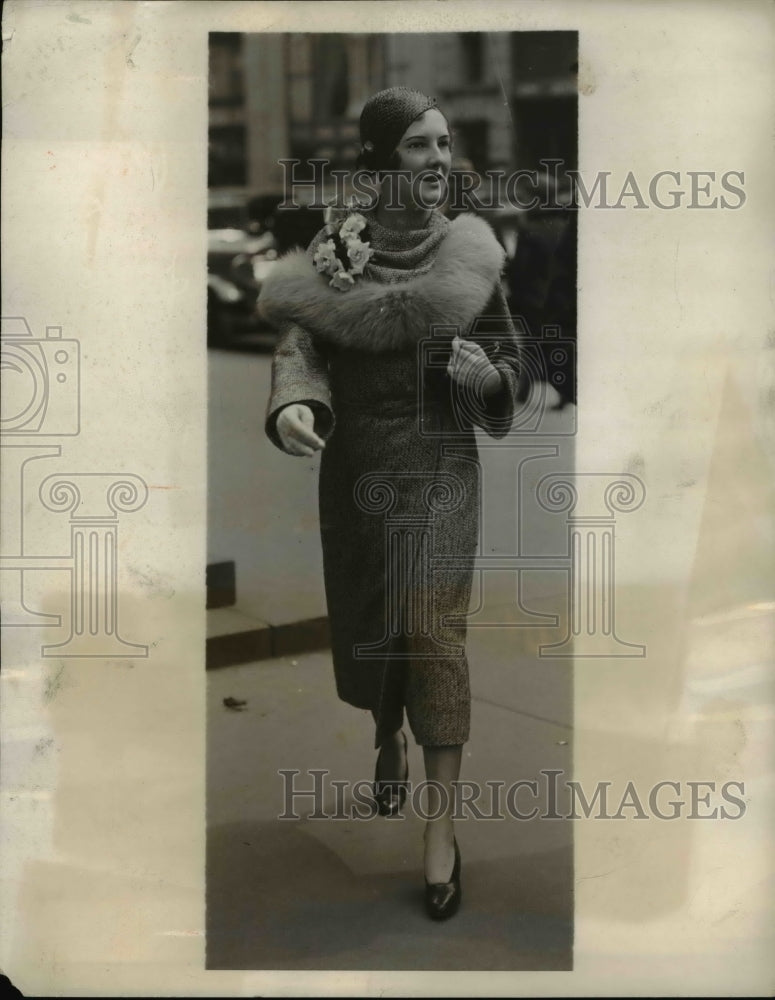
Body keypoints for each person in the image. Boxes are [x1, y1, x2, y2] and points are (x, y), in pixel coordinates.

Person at [258, 87, 522, 921]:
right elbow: (298, 346)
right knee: (380, 624)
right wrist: (295, 400)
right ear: (379, 157)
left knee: (433, 632)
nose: (439, 160)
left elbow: (514, 366)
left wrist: (488, 378)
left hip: (443, 463)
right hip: (360, 468)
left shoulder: (475, 253)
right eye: (417, 146)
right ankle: (385, 729)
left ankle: (439, 833)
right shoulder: (335, 249)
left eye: (444, 144)